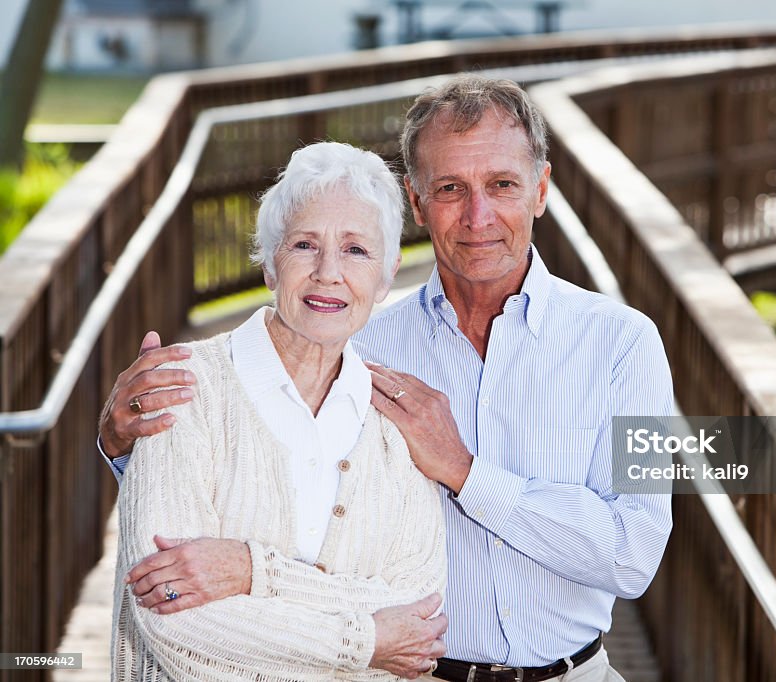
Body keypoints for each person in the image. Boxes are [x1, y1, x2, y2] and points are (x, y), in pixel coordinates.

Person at [100, 75, 674, 681]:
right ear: (418, 203)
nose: (478, 216)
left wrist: (464, 472)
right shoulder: (355, 341)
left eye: (502, 185)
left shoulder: (625, 344)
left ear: (540, 189)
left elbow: (634, 553)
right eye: (450, 188)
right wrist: (125, 446)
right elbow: (256, 487)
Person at [110, 142, 448, 681]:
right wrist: (364, 640)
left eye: (357, 251)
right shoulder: (182, 390)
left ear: (387, 276)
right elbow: (172, 620)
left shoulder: (396, 423)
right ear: (269, 266)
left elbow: (416, 613)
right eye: (304, 245)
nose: (328, 273)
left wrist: (250, 574)